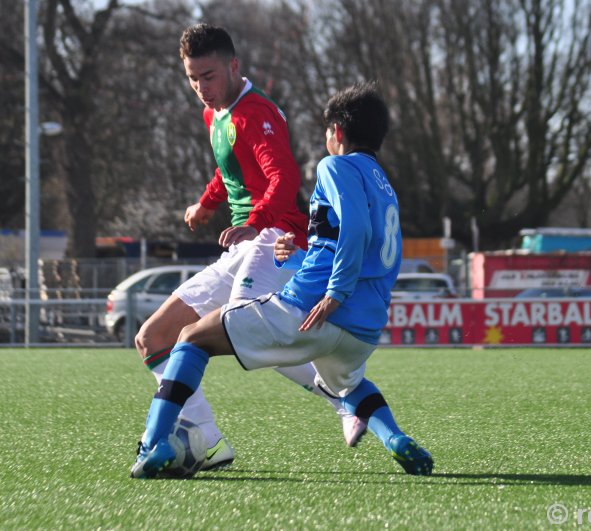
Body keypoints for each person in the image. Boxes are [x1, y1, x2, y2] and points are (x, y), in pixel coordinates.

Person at [130, 81, 433, 479]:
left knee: (191, 337)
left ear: (337, 133)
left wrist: (334, 293)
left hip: (313, 309)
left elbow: (355, 229)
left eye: (327, 131)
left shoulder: (335, 166)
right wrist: (302, 258)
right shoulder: (384, 184)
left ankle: (155, 442)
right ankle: (395, 439)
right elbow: (370, 250)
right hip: (362, 329)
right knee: (347, 386)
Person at [134, 23, 360, 471]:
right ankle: (208, 439)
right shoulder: (214, 113)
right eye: (193, 78)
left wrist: (253, 222)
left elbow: (285, 179)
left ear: (234, 66)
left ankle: (349, 397)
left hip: (275, 241)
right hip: (245, 246)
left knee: (251, 337)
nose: (201, 88)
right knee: (155, 339)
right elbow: (230, 171)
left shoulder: (255, 113)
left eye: (209, 75)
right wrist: (205, 204)